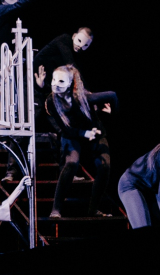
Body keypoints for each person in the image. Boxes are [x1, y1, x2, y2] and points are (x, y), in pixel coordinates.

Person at [2, 27, 100, 182]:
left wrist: (90, 98)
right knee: (26, 125)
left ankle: (67, 172)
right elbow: (72, 68)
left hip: (51, 89)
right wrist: (89, 95)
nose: (81, 46)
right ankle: (11, 172)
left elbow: (76, 77)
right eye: (80, 41)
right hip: (33, 85)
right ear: (74, 36)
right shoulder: (64, 40)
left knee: (64, 127)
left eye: (86, 45)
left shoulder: (75, 54)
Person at [45, 65, 114, 218]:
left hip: (94, 131)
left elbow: (112, 95)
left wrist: (110, 112)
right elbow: (65, 129)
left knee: (104, 166)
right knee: (71, 163)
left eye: (61, 81)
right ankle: (56, 209)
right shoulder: (51, 101)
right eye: (53, 80)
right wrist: (84, 133)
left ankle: (93, 209)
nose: (55, 84)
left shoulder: (84, 97)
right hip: (72, 134)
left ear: (70, 83)